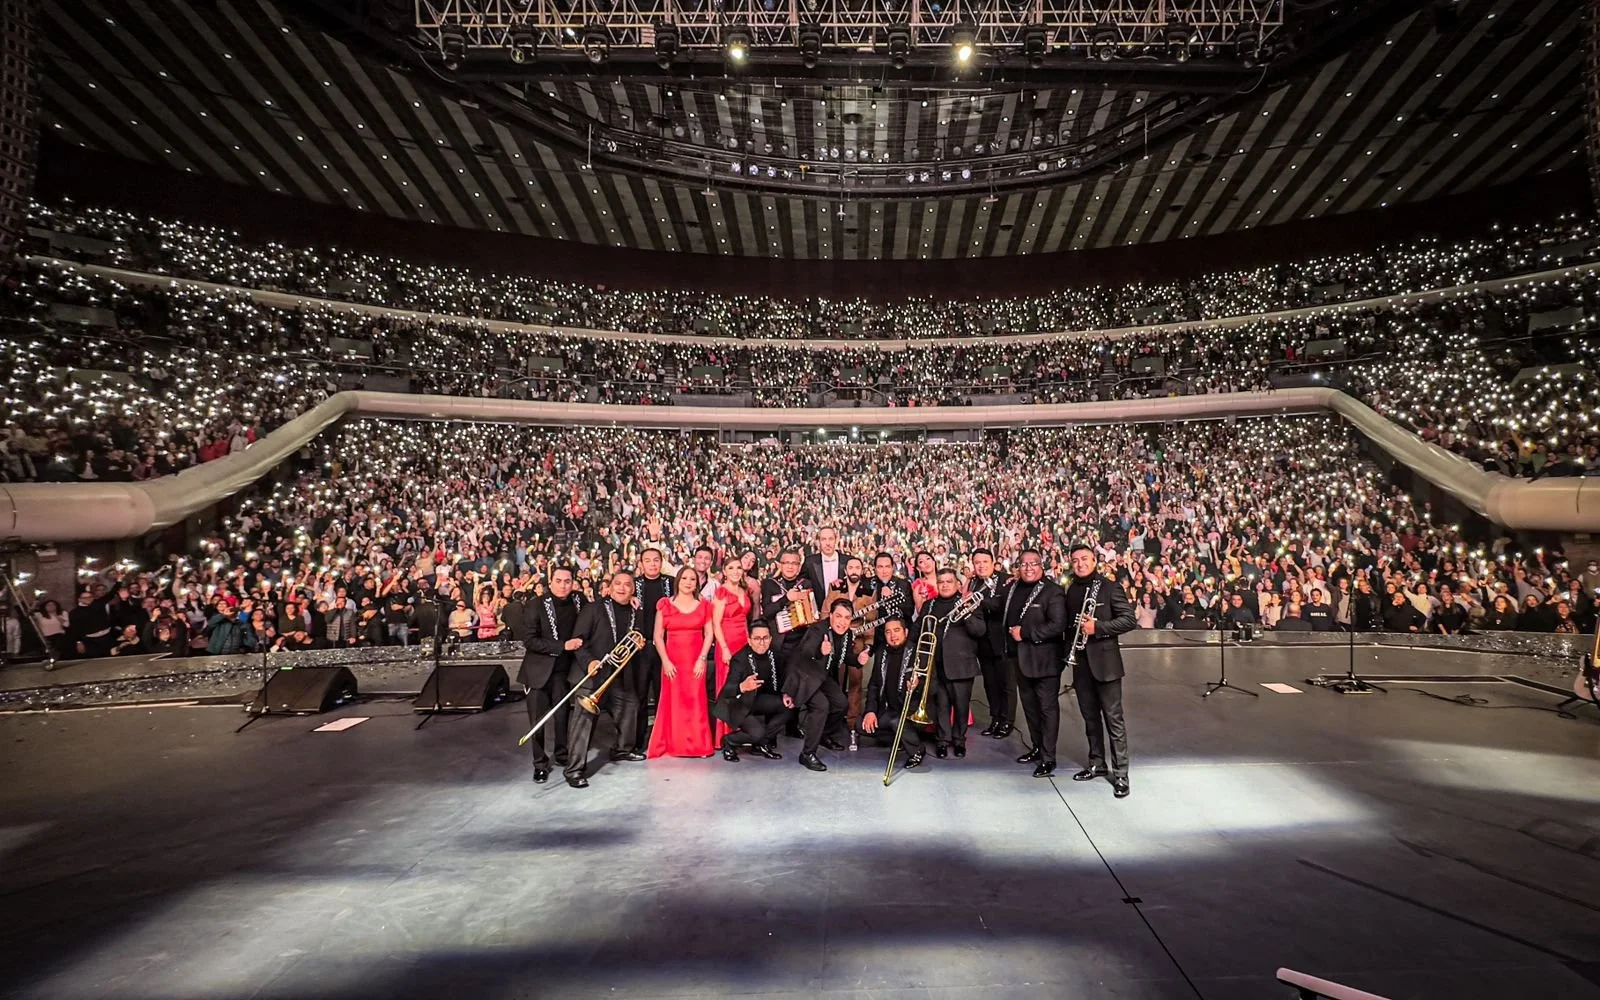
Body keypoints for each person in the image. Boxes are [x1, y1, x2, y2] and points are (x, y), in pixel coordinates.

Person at [1063, 543, 1138, 799]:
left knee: (1114, 721)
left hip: (1106, 666)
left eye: (1085, 558)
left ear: (1095, 561)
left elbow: (1129, 620)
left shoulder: (1109, 587)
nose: (1080, 563)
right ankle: (1097, 763)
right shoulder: (1072, 589)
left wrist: (1099, 627)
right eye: (1075, 560)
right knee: (1090, 718)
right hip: (1081, 665)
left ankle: (1121, 774)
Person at [564, 571, 645, 788]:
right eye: (618, 583)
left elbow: (638, 635)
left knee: (630, 706)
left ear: (633, 590)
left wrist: (639, 643)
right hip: (591, 674)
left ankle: (622, 749)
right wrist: (589, 662)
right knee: (583, 722)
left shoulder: (635, 612)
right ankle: (574, 769)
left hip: (619, 674)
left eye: (627, 585)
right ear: (609, 587)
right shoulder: (593, 608)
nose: (622, 588)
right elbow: (578, 640)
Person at [518, 565, 585, 783]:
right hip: (538, 672)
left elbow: (598, 611)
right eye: (558, 581)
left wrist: (632, 599)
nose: (563, 585)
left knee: (562, 716)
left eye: (567, 581)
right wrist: (562, 646)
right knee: (537, 721)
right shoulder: (535, 604)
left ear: (573, 582)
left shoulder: (579, 600)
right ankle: (539, 764)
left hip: (563, 671)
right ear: (550, 582)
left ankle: (562, 754)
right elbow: (530, 640)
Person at [1004, 548, 1067, 777]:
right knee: (1030, 708)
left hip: (1044, 661)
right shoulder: (1013, 588)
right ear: (1018, 567)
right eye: (1024, 564)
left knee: (1047, 709)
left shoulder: (1053, 591)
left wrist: (1025, 633)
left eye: (1034, 563)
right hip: (1020, 659)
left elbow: (1057, 625)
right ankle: (1038, 748)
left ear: (1042, 566)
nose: (1028, 568)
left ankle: (1048, 758)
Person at [919, 567, 986, 758]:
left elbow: (979, 630)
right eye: (941, 582)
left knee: (961, 706)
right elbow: (918, 631)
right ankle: (942, 740)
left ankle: (959, 741)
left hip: (961, 665)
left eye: (949, 581)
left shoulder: (968, 603)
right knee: (941, 705)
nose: (945, 585)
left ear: (957, 584)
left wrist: (967, 613)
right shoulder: (929, 605)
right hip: (936, 664)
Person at [648, 567, 715, 759]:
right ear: (678, 581)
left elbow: (709, 634)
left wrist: (702, 659)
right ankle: (676, 745)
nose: (688, 582)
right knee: (674, 702)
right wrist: (666, 662)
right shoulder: (665, 605)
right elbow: (658, 636)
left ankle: (699, 746)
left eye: (692, 579)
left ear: (697, 583)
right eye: (684, 578)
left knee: (696, 700)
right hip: (672, 661)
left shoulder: (704, 605)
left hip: (696, 660)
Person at [785, 597, 854, 772]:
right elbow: (806, 651)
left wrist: (858, 660)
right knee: (821, 706)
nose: (842, 622)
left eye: (847, 618)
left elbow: (844, 656)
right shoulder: (817, 630)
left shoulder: (847, 634)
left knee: (841, 704)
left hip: (822, 675)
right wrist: (819, 651)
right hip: (805, 676)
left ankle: (823, 734)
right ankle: (807, 754)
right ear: (830, 615)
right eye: (838, 616)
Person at [711, 621, 790, 761]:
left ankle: (761, 743)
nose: (762, 643)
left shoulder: (775, 654)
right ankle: (729, 741)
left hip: (758, 700)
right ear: (749, 640)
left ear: (771, 639)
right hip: (738, 703)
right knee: (757, 733)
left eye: (765, 638)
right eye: (757, 638)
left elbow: (784, 677)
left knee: (787, 706)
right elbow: (727, 691)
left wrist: (786, 694)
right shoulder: (739, 659)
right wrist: (742, 687)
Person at [858, 617, 925, 767]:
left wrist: (918, 685)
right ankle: (901, 739)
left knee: (896, 723)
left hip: (911, 712)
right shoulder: (882, 652)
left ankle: (917, 750)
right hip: (890, 711)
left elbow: (933, 685)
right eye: (888, 632)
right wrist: (870, 711)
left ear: (905, 632)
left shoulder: (918, 651)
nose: (893, 635)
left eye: (896, 630)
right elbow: (874, 686)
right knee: (859, 725)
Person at [633, 546, 675, 750]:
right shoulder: (633, 584)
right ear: (641, 564)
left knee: (664, 695)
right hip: (641, 648)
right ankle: (638, 741)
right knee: (640, 696)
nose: (652, 564)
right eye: (647, 560)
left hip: (666, 648)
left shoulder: (671, 583)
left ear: (661, 562)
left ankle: (664, 739)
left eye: (656, 560)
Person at [969, 548, 1013, 738]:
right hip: (982, 641)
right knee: (990, 683)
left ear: (993, 563)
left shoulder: (1006, 580)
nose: (981, 566)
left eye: (985, 562)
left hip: (1002, 641)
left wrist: (979, 600)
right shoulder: (973, 583)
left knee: (1006, 684)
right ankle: (995, 718)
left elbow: (1001, 605)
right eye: (977, 562)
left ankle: (1007, 721)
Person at [711, 555, 753, 745]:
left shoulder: (744, 590)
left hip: (743, 642)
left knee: (743, 685)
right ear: (724, 572)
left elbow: (744, 619)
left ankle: (740, 732)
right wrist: (724, 648)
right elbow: (716, 623)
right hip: (726, 643)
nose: (736, 571)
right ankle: (724, 735)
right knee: (728, 686)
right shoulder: (721, 592)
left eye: (738, 568)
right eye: (731, 568)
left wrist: (749, 640)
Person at [760, 548, 823, 674]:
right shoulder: (769, 584)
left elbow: (814, 614)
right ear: (780, 565)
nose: (790, 566)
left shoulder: (806, 584)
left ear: (799, 567)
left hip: (802, 642)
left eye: (794, 563)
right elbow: (767, 613)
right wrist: (786, 599)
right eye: (786, 563)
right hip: (779, 643)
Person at [802, 526, 846, 594]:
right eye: (823, 539)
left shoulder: (848, 561)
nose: (827, 543)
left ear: (836, 540)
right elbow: (801, 582)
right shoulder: (809, 562)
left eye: (831, 539)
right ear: (818, 541)